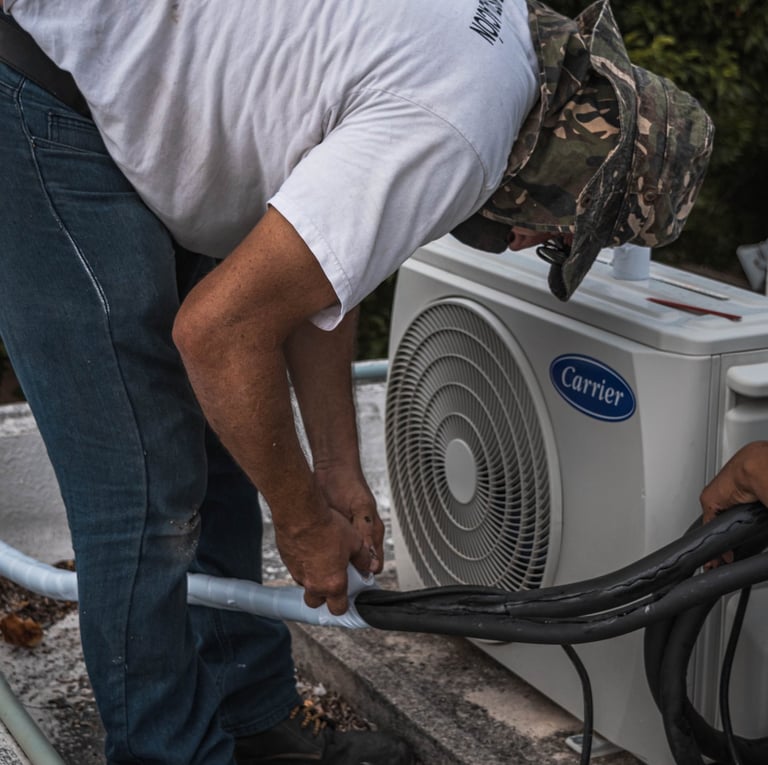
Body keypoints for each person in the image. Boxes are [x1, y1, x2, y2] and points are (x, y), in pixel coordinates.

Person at [0, 0, 713, 763]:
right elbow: (217, 334)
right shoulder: (459, 131)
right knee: (146, 482)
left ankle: (251, 720)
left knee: (226, 434)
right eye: (558, 236)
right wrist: (304, 522)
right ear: (568, 173)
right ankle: (169, 753)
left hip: (133, 70)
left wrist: (337, 468)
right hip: (46, 76)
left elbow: (320, 273)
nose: (529, 243)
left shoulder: (498, 48)